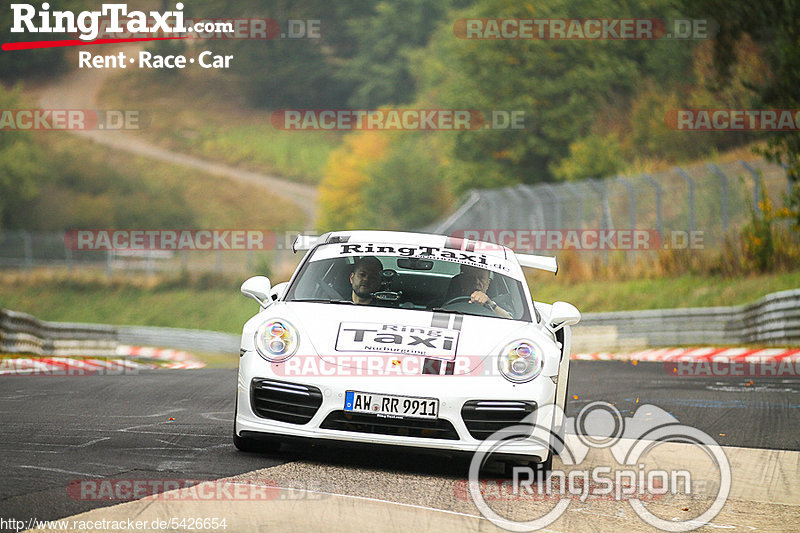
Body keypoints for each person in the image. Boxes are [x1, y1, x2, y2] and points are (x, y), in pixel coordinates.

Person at [445, 264, 512, 318]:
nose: (476, 282)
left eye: (481, 278)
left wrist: (491, 304)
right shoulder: (442, 303)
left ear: (488, 284)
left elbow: (511, 320)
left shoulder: (499, 305)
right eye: (471, 277)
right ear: (462, 280)